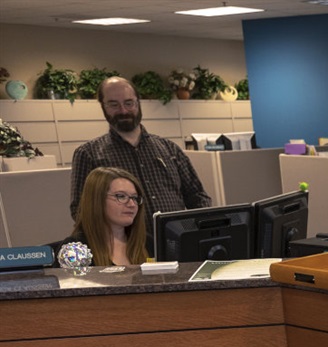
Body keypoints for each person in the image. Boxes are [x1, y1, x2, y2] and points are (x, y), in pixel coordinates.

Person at [70, 76, 211, 248]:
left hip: (177, 244)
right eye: (114, 104)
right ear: (103, 107)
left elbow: (198, 197)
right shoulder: (88, 154)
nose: (123, 110)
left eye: (129, 103)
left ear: (138, 103)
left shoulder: (169, 149)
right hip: (126, 251)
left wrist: (200, 232)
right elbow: (81, 210)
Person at [52, 166, 148, 267]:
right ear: (97, 200)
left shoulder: (149, 243)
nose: (132, 204)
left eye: (134, 198)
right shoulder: (74, 250)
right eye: (121, 196)